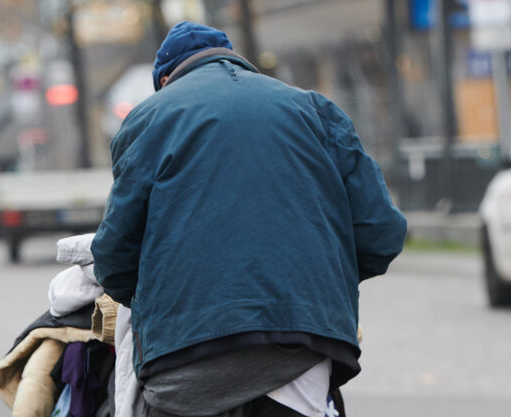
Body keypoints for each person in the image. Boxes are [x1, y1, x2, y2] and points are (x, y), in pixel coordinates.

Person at [91, 21, 407, 417]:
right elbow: (382, 234)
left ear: (167, 78)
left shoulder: (149, 118)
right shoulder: (314, 108)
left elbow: (114, 259)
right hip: (303, 352)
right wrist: (311, 282)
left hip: (185, 361)